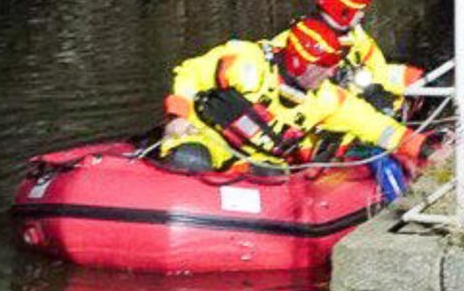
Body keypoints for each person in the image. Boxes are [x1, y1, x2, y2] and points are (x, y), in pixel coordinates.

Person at [160, 17, 435, 174]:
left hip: (257, 163)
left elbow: (377, 127)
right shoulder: (247, 63)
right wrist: (177, 117)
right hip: (205, 137)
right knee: (189, 159)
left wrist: (428, 150)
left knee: (269, 180)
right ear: (300, 64)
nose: (331, 75)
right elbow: (190, 74)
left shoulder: (328, 100)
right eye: (325, 68)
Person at [269, 0, 422, 116]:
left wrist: (409, 84)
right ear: (342, 10)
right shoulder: (295, 41)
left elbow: (377, 66)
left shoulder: (354, 34)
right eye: (358, 10)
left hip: (364, 88)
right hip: (330, 111)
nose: (362, 14)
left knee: (421, 79)